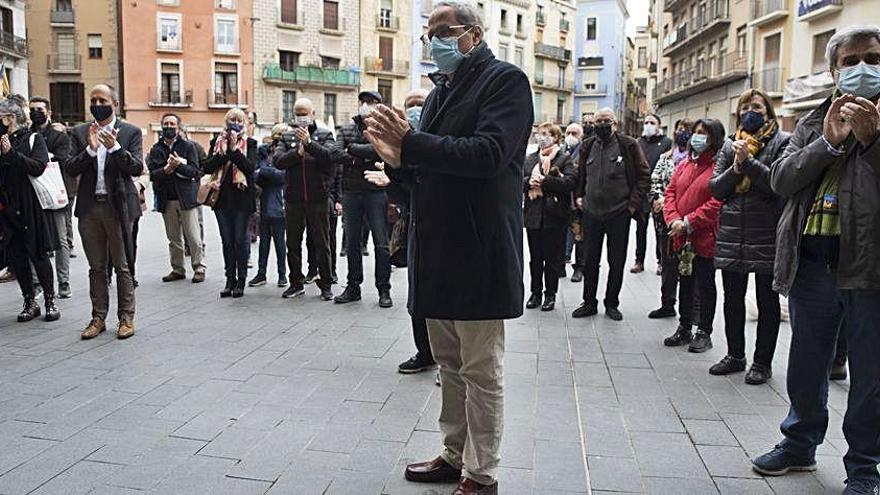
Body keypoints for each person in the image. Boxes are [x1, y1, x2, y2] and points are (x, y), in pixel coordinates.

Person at [363, 2, 533, 492]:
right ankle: (454, 454)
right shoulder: (441, 93)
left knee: (481, 370)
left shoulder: (506, 82)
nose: (434, 40)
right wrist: (396, 162)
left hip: (478, 250)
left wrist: (411, 145)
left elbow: (489, 154)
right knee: (451, 365)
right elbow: (422, 175)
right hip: (437, 251)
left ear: (473, 35)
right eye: (428, 33)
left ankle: (482, 472)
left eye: (444, 31)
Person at [751, 26, 880, 495]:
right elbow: (782, 180)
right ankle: (799, 443)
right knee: (806, 362)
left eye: (873, 57)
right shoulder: (812, 121)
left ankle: (864, 466)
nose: (863, 67)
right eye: (851, 60)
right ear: (834, 70)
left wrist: (871, 142)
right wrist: (827, 144)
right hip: (812, 264)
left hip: (869, 270)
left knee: (870, 374)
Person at [708, 89, 789, 385]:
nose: (749, 112)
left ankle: (762, 363)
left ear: (768, 112)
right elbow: (716, 188)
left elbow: (779, 183)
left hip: (766, 231)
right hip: (732, 231)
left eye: (756, 106)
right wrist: (737, 166)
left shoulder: (783, 142)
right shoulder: (731, 145)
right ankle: (735, 355)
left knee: (768, 302)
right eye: (744, 107)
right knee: (732, 298)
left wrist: (750, 164)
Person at [64, 84, 142, 340]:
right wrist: (90, 150)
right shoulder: (79, 132)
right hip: (89, 208)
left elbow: (136, 168)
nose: (97, 105)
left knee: (122, 265)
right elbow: (71, 168)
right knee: (96, 267)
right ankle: (98, 318)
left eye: (102, 100)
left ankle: (126, 318)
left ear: (115, 104)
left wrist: (115, 148)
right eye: (94, 100)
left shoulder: (130, 131)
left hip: (117, 206)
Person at [369, 88, 438, 375]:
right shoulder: (399, 145)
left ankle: (445, 358)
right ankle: (424, 352)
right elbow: (403, 194)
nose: (415, 109)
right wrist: (392, 178)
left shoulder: (435, 139)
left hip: (441, 226)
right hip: (414, 225)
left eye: (420, 104)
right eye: (410, 104)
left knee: (439, 296)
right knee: (417, 292)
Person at [571, 108, 650, 322]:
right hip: (591, 213)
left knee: (616, 261)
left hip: (618, 213)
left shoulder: (628, 145)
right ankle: (588, 302)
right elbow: (579, 174)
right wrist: (579, 196)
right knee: (589, 260)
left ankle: (612, 303)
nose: (601, 125)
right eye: (598, 121)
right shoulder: (587, 146)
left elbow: (644, 176)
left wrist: (632, 206)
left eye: (606, 121)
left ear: (614, 123)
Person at [662, 119, 725, 353]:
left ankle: (704, 331)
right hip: (681, 237)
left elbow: (716, 202)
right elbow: (670, 192)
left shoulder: (719, 167)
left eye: (704, 134)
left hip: (705, 237)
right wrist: (673, 219)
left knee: (706, 285)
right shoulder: (685, 164)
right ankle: (684, 326)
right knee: (685, 282)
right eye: (696, 133)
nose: (697, 137)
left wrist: (689, 222)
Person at [0, 98, 60, 322]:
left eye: (1, 117)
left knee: (38, 254)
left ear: (10, 118)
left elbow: (38, 167)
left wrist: (11, 154)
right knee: (17, 257)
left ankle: (50, 300)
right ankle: (29, 300)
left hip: (29, 205)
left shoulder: (33, 139)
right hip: (7, 207)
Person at [274, 98, 337, 301]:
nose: (301, 117)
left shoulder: (325, 134)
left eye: (305, 113)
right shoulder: (287, 136)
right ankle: (296, 282)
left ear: (313, 113)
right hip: (293, 198)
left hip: (318, 197)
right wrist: (297, 152)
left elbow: (329, 157)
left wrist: (309, 145)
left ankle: (326, 283)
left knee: (322, 242)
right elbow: (278, 161)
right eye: (298, 113)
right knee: (293, 242)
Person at [334, 90, 393, 308]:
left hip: (377, 193)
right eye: (365, 102)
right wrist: (365, 157)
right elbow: (335, 153)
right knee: (352, 243)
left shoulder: (383, 129)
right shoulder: (347, 128)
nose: (368, 105)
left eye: (373, 102)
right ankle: (353, 287)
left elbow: (383, 153)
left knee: (381, 243)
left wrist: (354, 150)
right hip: (351, 192)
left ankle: (384, 289)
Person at [202, 108, 257, 298]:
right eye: (232, 119)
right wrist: (224, 153)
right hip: (222, 198)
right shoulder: (216, 142)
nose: (235, 123)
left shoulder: (250, 143)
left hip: (242, 199)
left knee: (240, 240)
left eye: (239, 120)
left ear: (245, 123)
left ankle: (241, 279)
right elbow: (207, 166)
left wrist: (234, 151)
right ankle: (229, 279)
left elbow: (250, 168)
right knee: (226, 241)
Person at [524, 123, 576, 311]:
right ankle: (535, 293)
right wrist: (529, 181)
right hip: (533, 215)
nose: (541, 137)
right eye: (539, 134)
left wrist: (545, 181)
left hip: (555, 216)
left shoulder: (564, 159)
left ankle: (550, 294)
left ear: (555, 137)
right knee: (535, 258)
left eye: (545, 134)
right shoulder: (530, 159)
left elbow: (569, 182)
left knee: (552, 259)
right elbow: (520, 180)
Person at [147, 113, 205, 284]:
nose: (169, 127)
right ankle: (177, 269)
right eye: (166, 124)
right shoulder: (156, 150)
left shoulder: (188, 147)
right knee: (173, 238)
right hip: (167, 199)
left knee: (193, 236)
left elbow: (195, 172)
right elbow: (152, 174)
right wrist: (166, 170)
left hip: (187, 198)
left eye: (172, 124)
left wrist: (178, 165)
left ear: (178, 128)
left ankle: (199, 267)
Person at [648, 118, 695, 318]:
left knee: (690, 265)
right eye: (678, 129)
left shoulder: (697, 160)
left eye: (686, 129)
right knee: (668, 263)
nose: (681, 132)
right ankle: (667, 304)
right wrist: (658, 198)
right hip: (667, 219)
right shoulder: (666, 158)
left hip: (690, 221)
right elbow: (655, 179)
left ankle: (693, 311)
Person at [29, 96, 73, 299]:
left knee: (61, 240)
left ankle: (64, 282)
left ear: (49, 112)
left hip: (55, 193)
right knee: (34, 239)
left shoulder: (59, 137)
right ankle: (37, 284)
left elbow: (63, 160)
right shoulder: (26, 135)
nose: (35, 112)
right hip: (32, 195)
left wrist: (40, 157)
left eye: (39, 109)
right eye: (32, 109)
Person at [249, 124, 288, 288]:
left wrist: (266, 172)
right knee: (264, 241)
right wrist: (269, 172)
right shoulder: (263, 152)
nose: (279, 137)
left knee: (280, 242)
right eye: (277, 134)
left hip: (280, 204)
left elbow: (283, 176)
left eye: (282, 135)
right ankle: (261, 273)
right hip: (263, 204)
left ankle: (282, 274)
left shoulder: (286, 153)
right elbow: (255, 174)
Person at [634, 113, 672, 274]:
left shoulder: (666, 143)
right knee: (640, 228)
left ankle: (661, 261)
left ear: (658, 125)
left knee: (660, 229)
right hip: (642, 191)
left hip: (659, 192)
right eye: (646, 122)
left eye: (652, 122)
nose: (648, 125)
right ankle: (639, 261)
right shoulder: (638, 142)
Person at [563, 122, 584, 282]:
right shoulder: (561, 151)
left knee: (579, 235)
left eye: (574, 133)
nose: (570, 136)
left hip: (577, 201)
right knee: (563, 233)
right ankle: (561, 263)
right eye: (568, 132)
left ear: (581, 136)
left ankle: (579, 268)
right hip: (562, 201)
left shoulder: (584, 151)